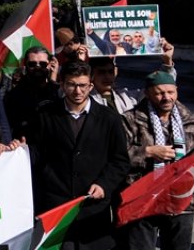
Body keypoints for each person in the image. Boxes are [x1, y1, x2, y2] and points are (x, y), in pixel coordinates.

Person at [25, 61, 129, 250]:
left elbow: (120, 160)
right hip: (57, 208)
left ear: (91, 85)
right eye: (72, 85)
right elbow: (35, 154)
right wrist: (18, 152)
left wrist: (104, 184)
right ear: (63, 85)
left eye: (82, 85)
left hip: (94, 210)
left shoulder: (109, 118)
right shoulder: (45, 115)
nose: (77, 91)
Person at [121, 71, 194, 250]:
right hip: (142, 200)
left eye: (170, 92)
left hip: (181, 202)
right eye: (159, 93)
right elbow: (116, 157)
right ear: (148, 93)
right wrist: (147, 152)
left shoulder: (190, 121)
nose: (166, 97)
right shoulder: (130, 120)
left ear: (177, 91)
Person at [4, 46, 60, 136]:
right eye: (32, 64)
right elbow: (8, 125)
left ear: (50, 65)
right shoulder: (14, 95)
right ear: (25, 65)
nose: (37, 67)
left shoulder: (58, 91)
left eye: (42, 64)